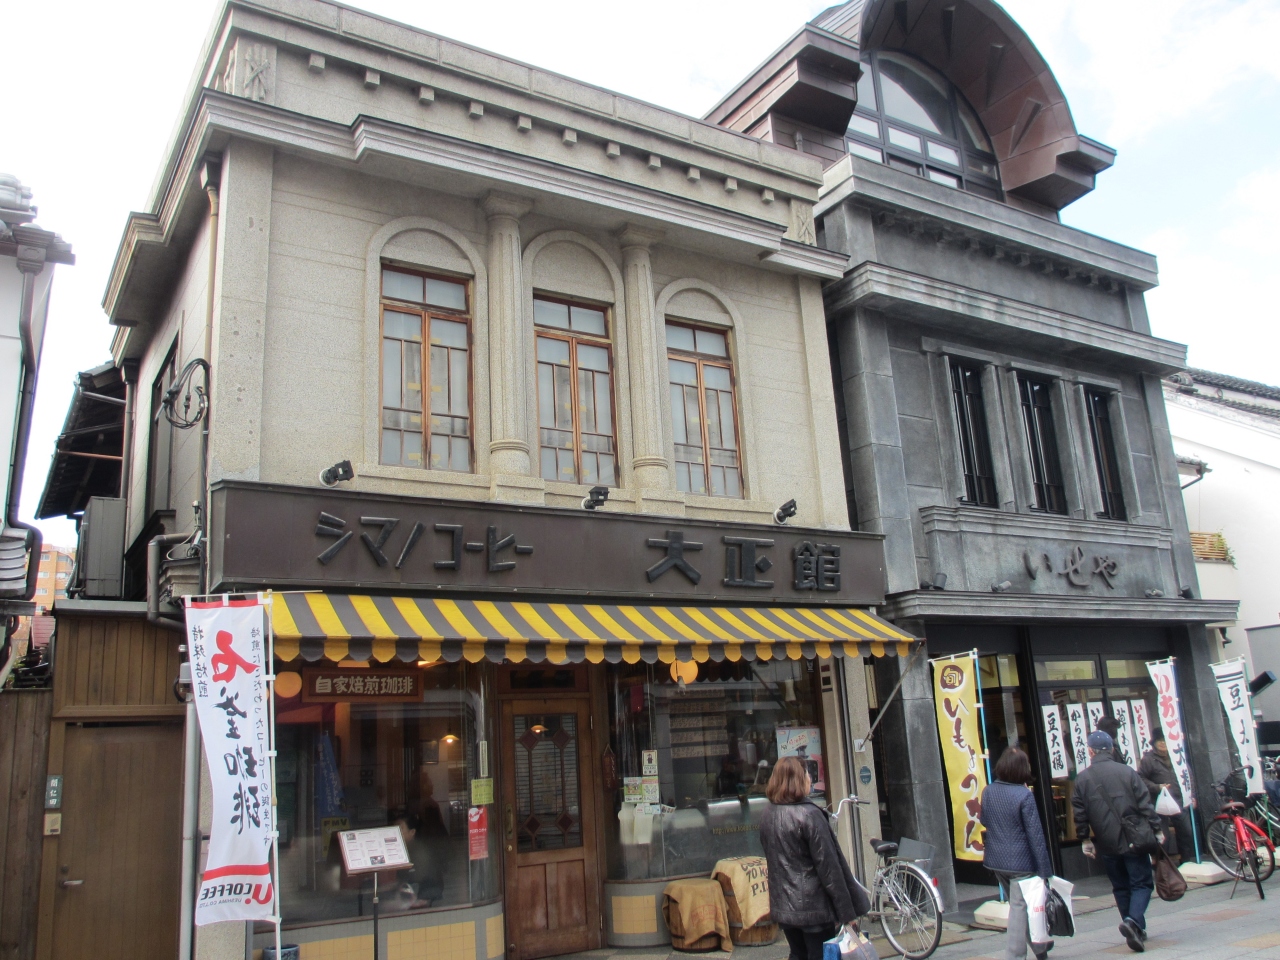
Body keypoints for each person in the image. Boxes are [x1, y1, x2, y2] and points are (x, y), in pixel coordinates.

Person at [759, 756, 870, 960]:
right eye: (807, 774)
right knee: (818, 955)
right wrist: (847, 913)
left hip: (784, 905)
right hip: (814, 908)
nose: (810, 778)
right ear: (799, 779)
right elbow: (830, 868)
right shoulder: (809, 814)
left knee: (797, 954)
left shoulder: (768, 814)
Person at [1072, 731, 1163, 953]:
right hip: (1134, 838)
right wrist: (1157, 829)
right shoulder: (1127, 772)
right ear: (1112, 749)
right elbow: (1145, 804)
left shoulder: (1082, 779)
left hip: (1106, 841)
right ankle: (1133, 922)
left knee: (1121, 886)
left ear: (1090, 751)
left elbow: (1080, 813)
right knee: (1141, 883)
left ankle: (1134, 927)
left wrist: (1085, 839)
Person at [980, 746, 1053, 960]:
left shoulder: (989, 790)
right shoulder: (1024, 795)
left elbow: (984, 820)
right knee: (1020, 908)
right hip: (1021, 863)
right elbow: (1035, 835)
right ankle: (1015, 955)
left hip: (996, 861)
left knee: (1020, 907)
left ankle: (1040, 948)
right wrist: (1045, 871)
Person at [1137, 731, 1194, 864]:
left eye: (1165, 740)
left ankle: (1186, 862)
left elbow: (1188, 776)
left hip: (1179, 800)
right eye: (1159, 741)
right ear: (1154, 743)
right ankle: (1163, 865)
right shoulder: (1149, 759)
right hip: (1158, 802)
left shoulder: (1177, 755)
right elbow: (1140, 778)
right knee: (1163, 836)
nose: (1162, 743)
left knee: (1186, 832)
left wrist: (1192, 795)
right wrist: (1156, 787)